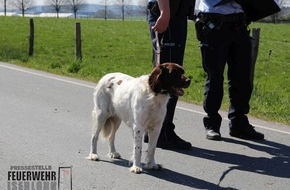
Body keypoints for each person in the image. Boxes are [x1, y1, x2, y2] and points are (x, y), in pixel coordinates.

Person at [194, 0, 264, 141]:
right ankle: (212, 124)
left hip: (239, 23)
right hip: (214, 23)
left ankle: (239, 123)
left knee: (242, 76)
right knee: (215, 77)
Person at [144, 0, 194, 150]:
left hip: (175, 12)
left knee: (168, 73)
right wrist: (165, 13)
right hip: (169, 12)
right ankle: (163, 132)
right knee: (170, 76)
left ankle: (154, 129)